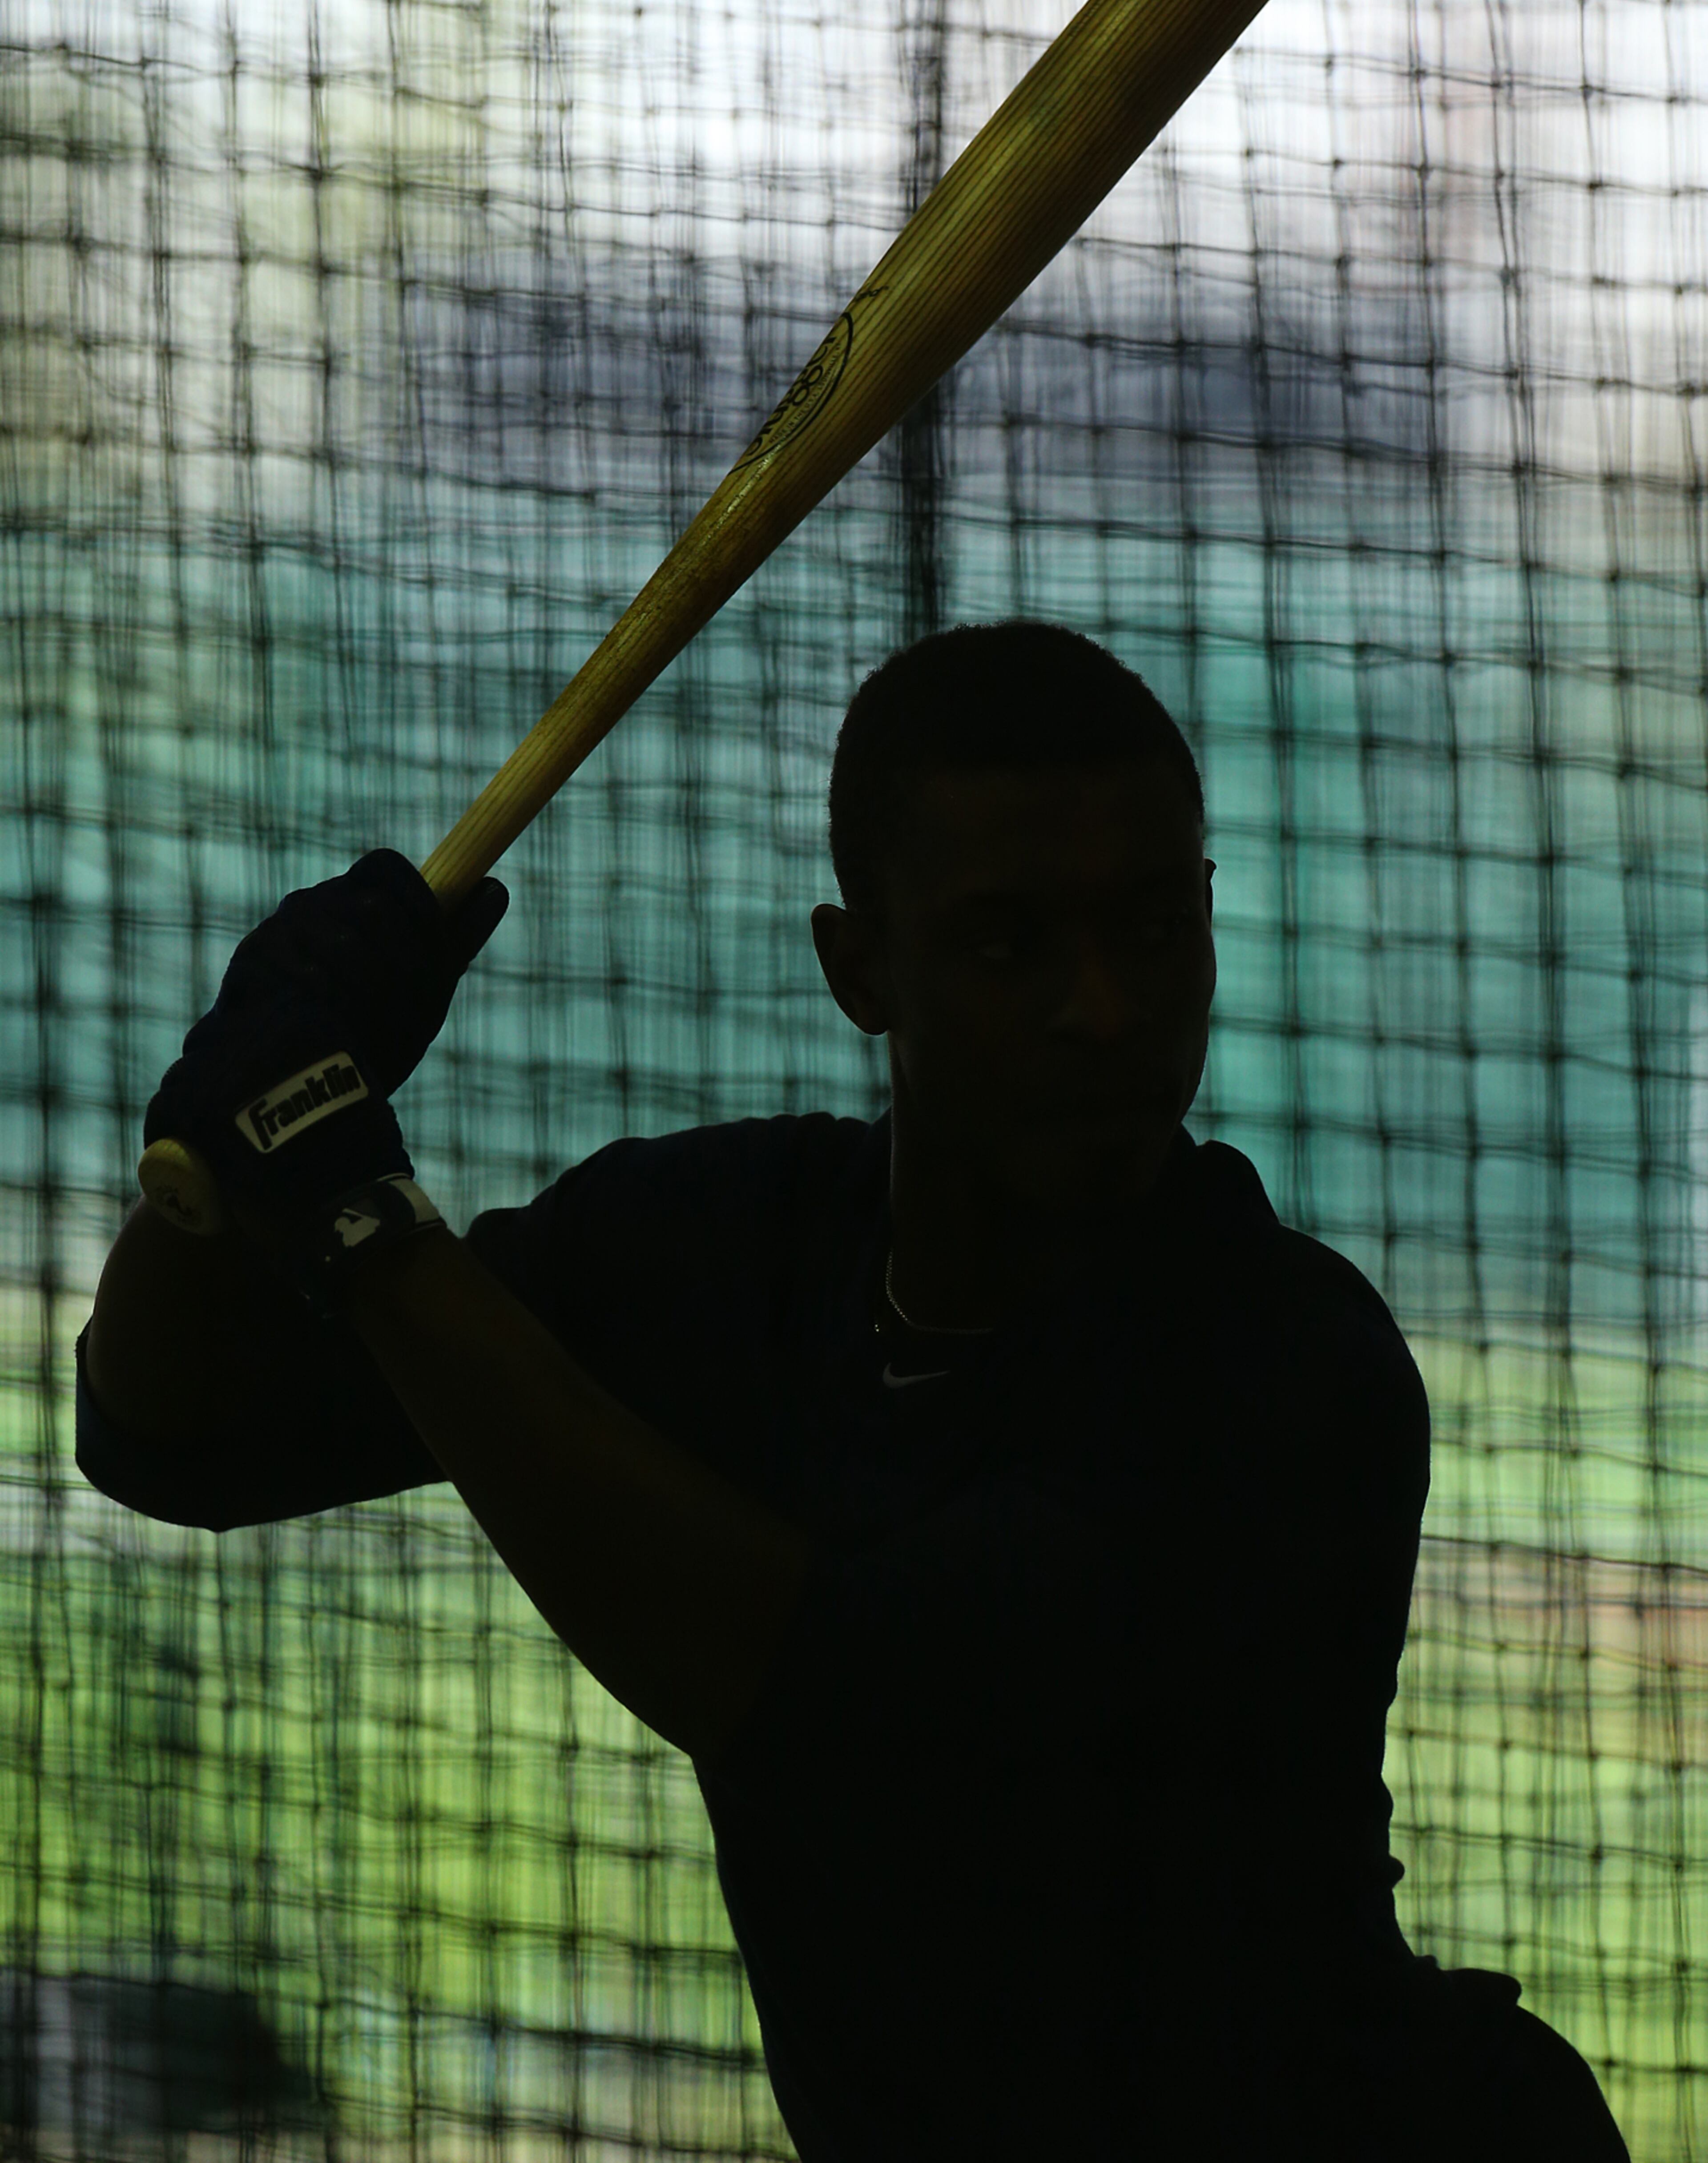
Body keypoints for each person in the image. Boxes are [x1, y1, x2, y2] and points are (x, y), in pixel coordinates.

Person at [76, 619, 1630, 2160]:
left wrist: (352, 1205)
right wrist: (219, 1154)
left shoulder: (1285, 1370)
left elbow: (839, 1712)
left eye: (1152, 926)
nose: (1101, 1006)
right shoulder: (730, 1249)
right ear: (856, 967)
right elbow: (169, 1435)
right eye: (1009, 941)